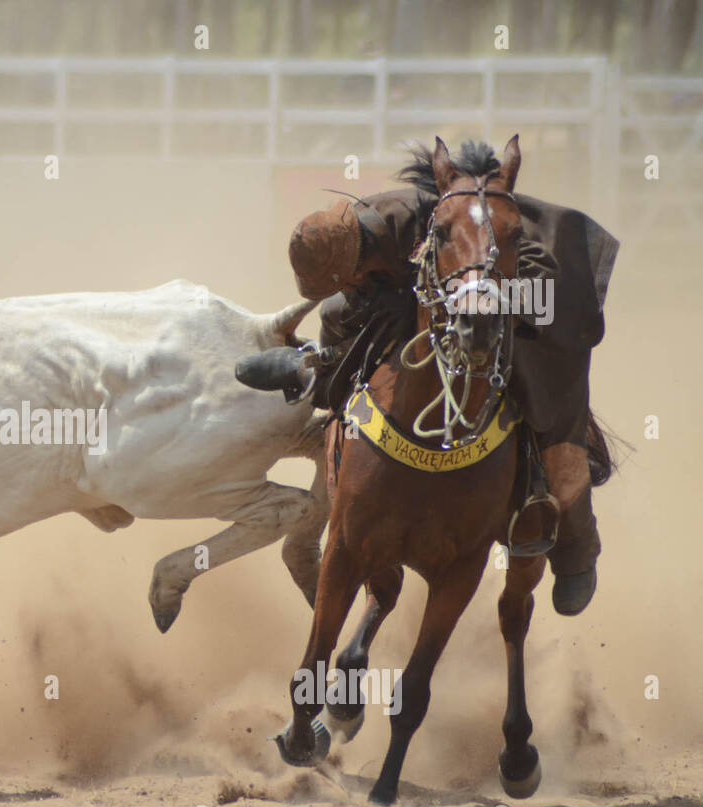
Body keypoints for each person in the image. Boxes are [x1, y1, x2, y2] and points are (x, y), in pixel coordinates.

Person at [238, 142, 617, 617]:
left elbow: (535, 286)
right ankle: (314, 372)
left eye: (351, 277)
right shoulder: (358, 259)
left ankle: (576, 548)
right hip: (431, 300)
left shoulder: (430, 224)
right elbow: (351, 306)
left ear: (359, 261)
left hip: (526, 304)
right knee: (342, 312)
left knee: (557, 443)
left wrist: (491, 299)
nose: (350, 284)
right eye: (349, 280)